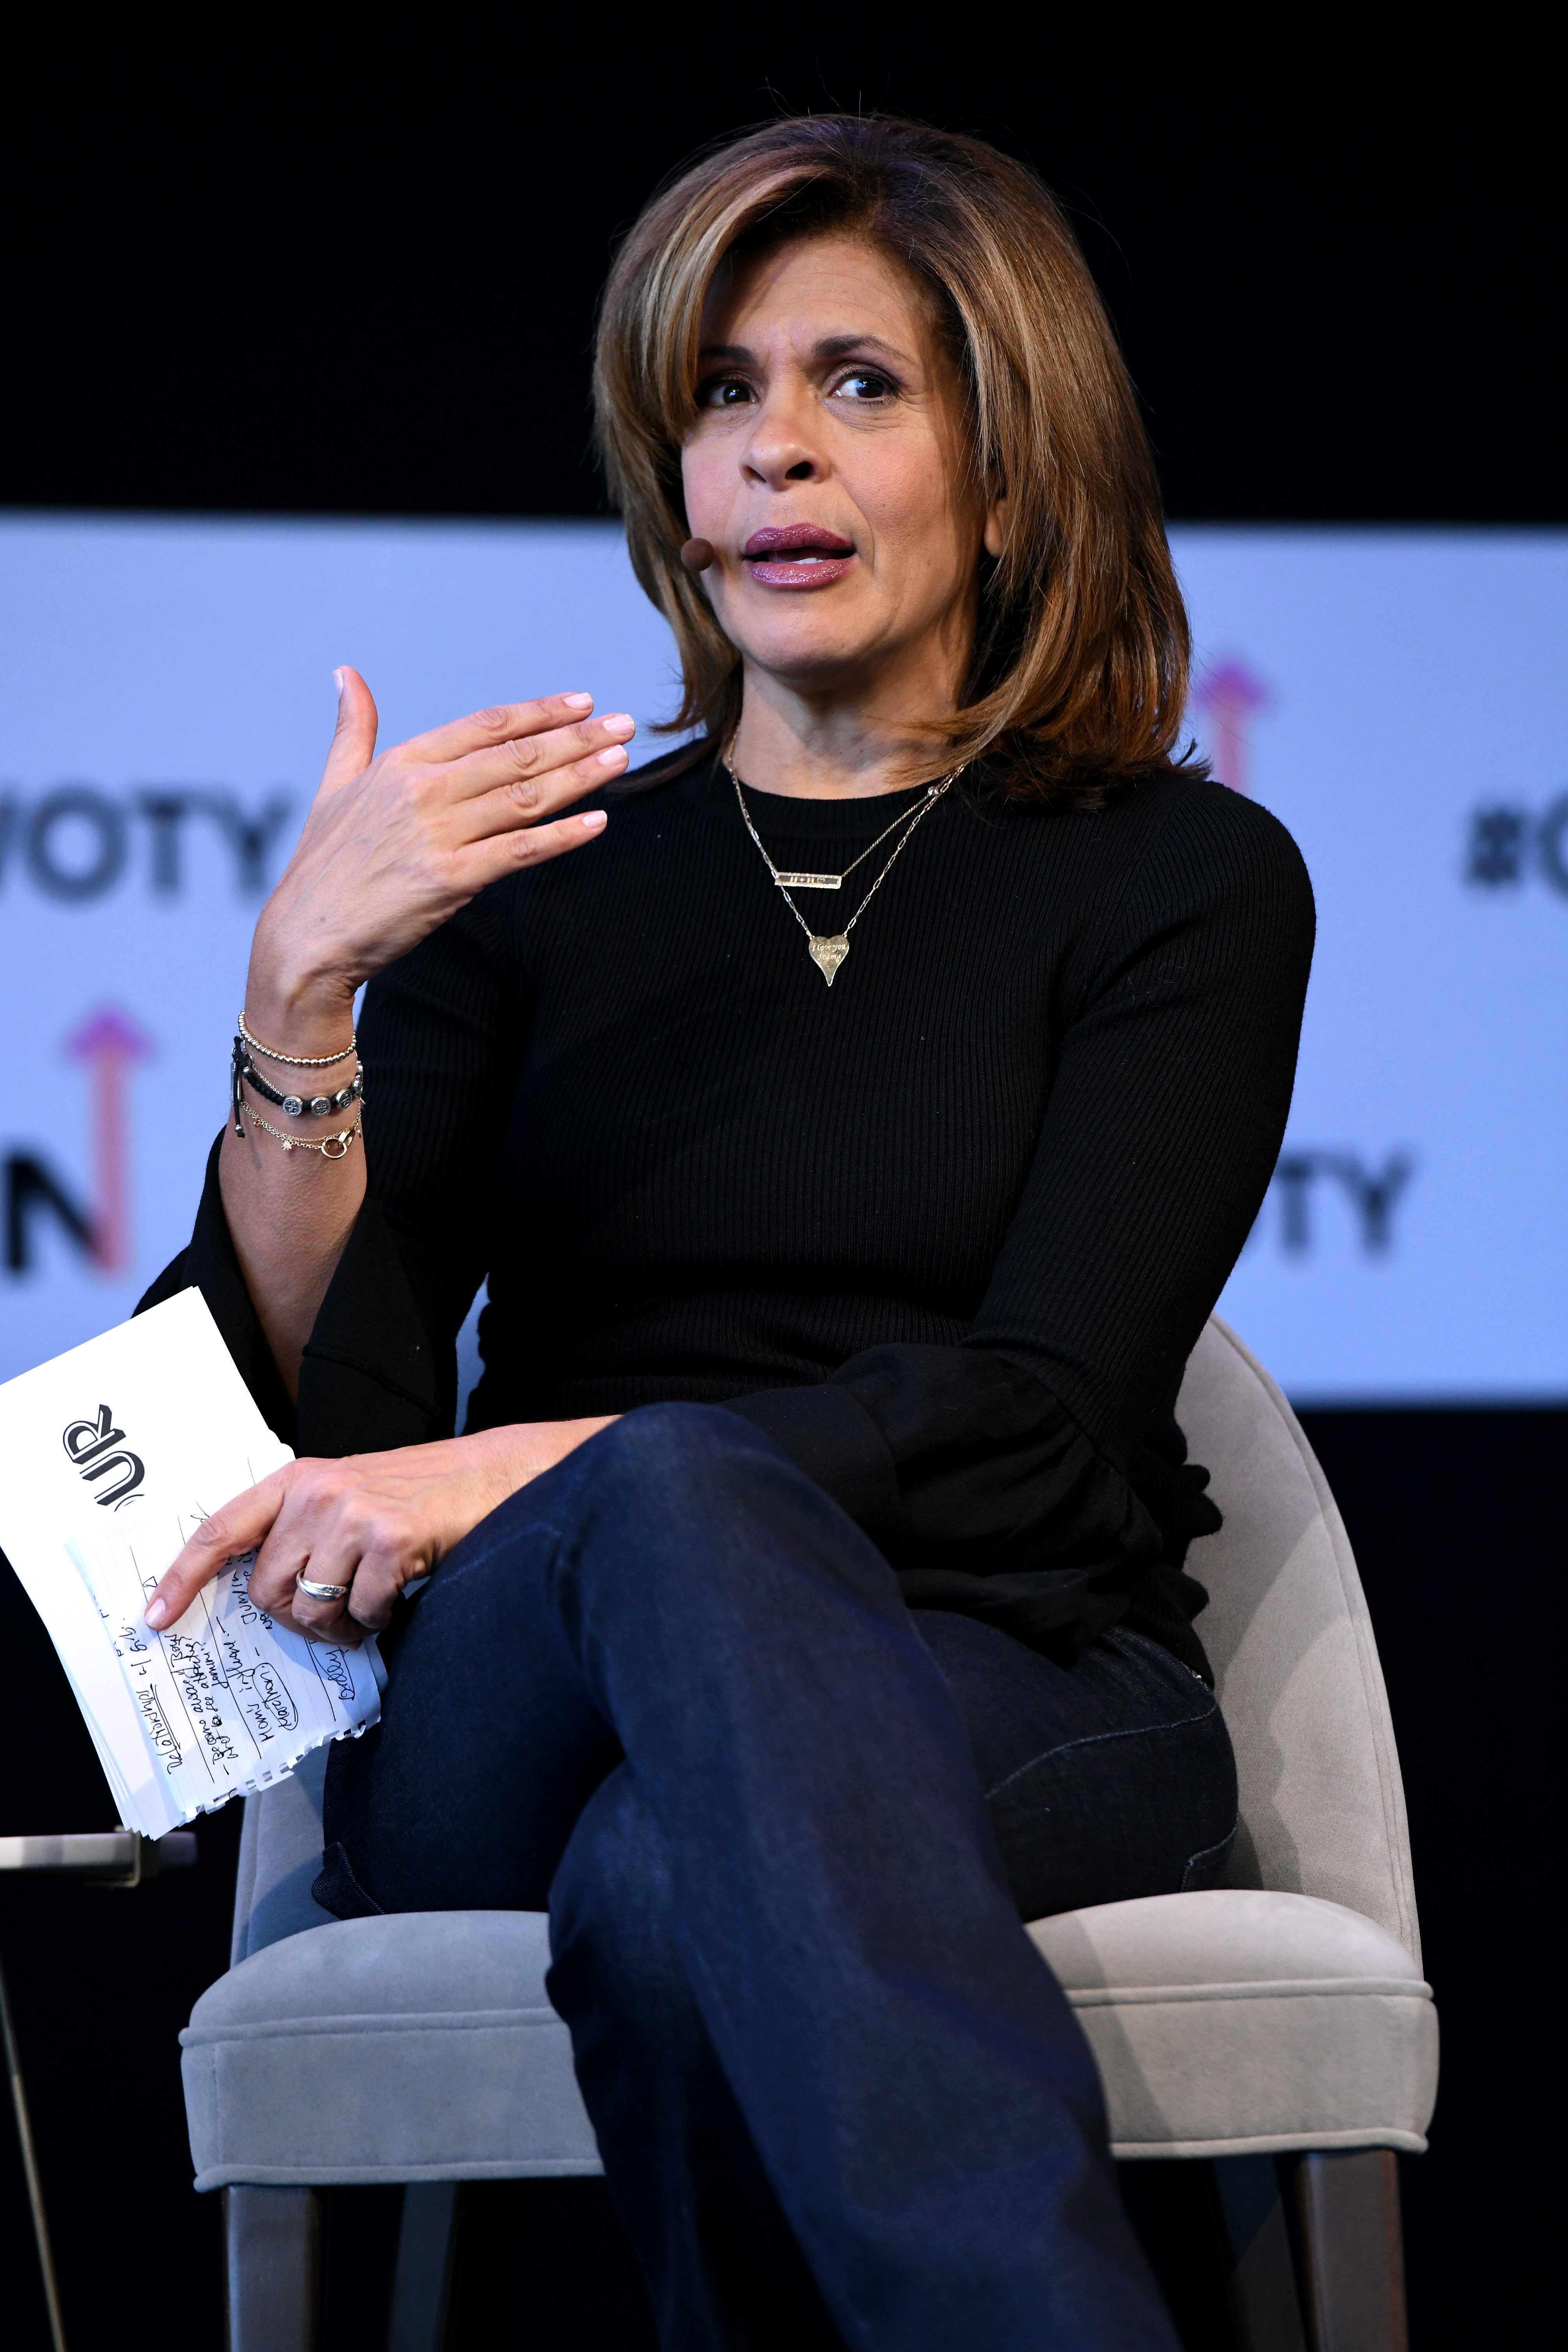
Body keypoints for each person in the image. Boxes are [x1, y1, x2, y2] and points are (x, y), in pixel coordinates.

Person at [145, 114, 1313, 2350]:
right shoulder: (535, 893)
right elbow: (312, 1426)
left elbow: (1042, 1421)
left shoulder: (1178, 885)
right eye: (720, 392)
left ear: (1006, 459)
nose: (774, 452)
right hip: (522, 1704)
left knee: (684, 1892)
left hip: (1009, 1663)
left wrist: (528, 1460)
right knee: (665, 1485)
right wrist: (303, 994)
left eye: (859, 385)